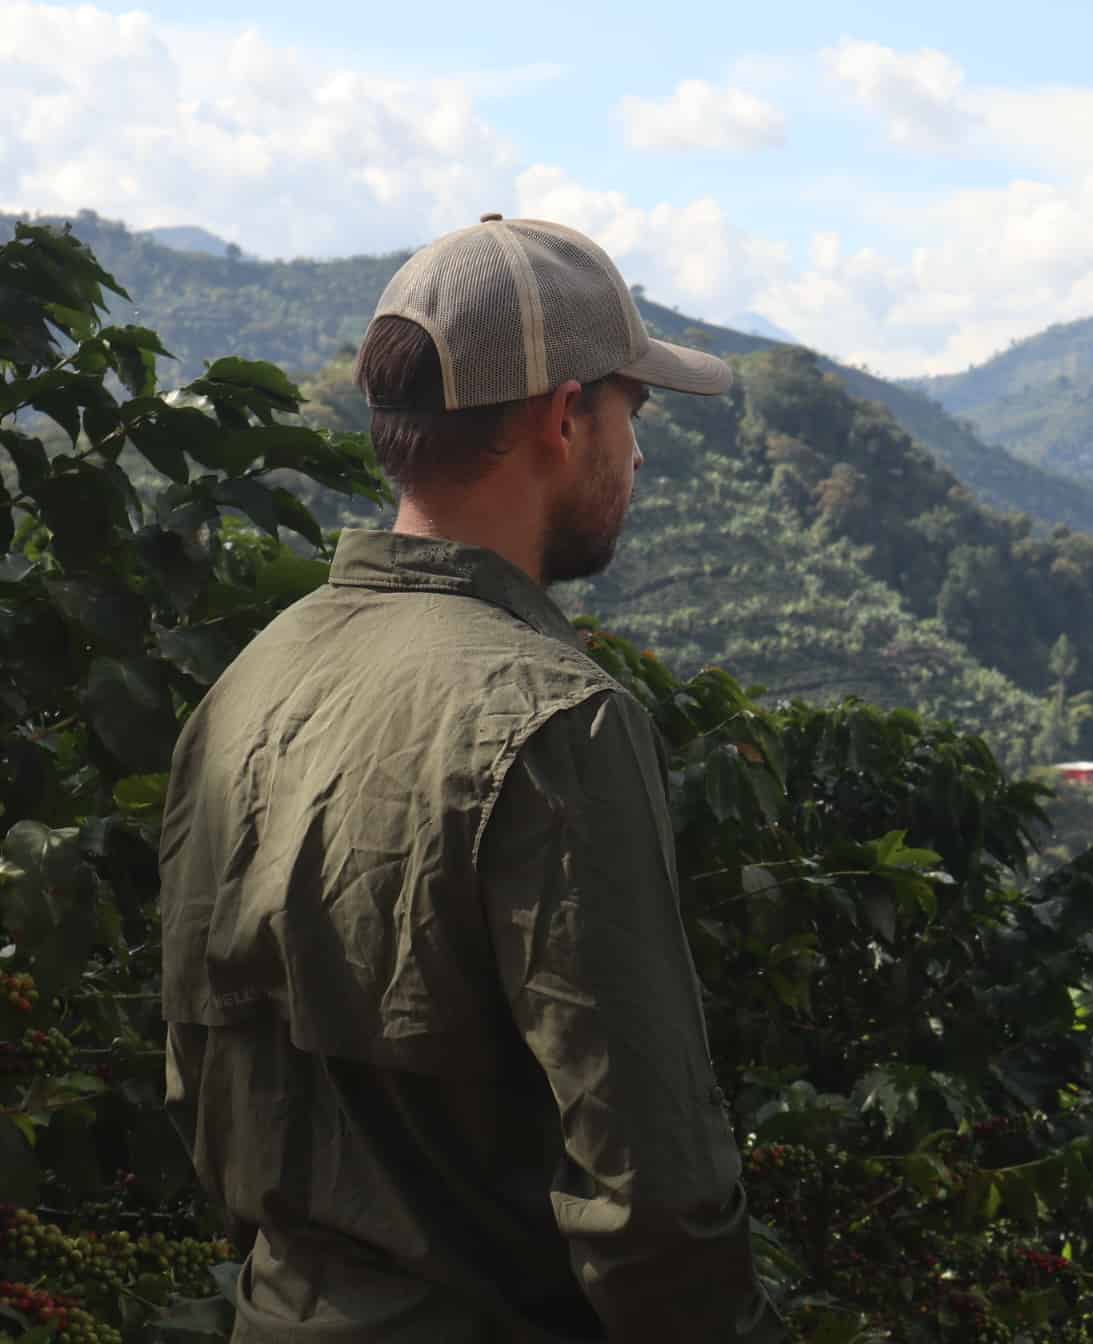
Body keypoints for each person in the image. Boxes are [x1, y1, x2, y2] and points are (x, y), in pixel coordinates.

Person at [158, 213, 783, 1342]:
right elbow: (655, 1191)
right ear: (561, 415)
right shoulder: (556, 722)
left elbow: (199, 1076)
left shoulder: (251, 685)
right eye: (631, 413)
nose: (637, 454)